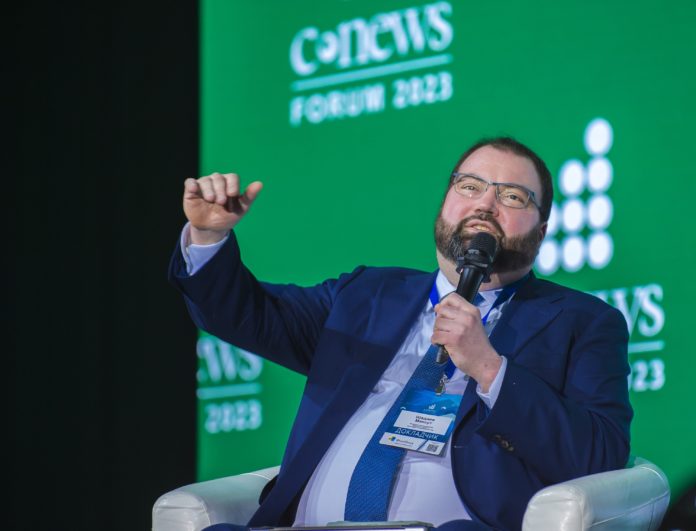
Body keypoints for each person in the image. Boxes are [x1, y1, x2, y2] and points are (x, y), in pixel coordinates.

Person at [169, 137, 633, 531]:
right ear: (445, 204)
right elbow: (247, 314)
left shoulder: (582, 321)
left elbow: (600, 455)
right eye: (470, 186)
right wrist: (208, 237)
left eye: (512, 196)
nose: (485, 204)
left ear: (542, 230)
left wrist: (490, 368)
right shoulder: (366, 295)